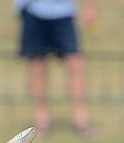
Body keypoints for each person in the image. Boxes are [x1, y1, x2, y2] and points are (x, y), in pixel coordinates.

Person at [15, 0, 98, 136]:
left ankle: (81, 122)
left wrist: (90, 6)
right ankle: (41, 123)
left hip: (63, 11)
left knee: (76, 64)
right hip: (32, 9)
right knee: (38, 66)